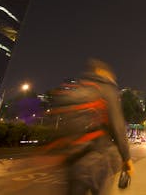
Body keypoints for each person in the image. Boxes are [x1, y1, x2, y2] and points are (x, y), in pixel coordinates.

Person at [53, 58, 134, 195]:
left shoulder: (77, 90)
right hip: (99, 159)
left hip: (73, 161)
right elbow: (118, 129)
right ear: (102, 72)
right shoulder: (108, 90)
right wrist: (126, 158)